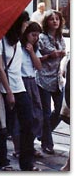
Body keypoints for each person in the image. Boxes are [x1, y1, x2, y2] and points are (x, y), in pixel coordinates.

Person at [0, 11, 39, 171]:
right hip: (6, 90)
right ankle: (1, 161)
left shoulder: (18, 41)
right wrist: (9, 92)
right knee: (5, 127)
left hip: (20, 87)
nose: (26, 26)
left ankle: (26, 163)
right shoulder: (1, 41)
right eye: (25, 23)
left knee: (28, 124)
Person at [36, 10, 66, 155]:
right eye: (51, 19)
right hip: (43, 77)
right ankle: (47, 143)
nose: (55, 21)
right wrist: (50, 56)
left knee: (60, 110)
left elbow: (63, 54)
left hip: (56, 79)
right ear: (46, 22)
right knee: (46, 112)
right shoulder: (41, 37)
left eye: (57, 19)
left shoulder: (60, 37)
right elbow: (35, 59)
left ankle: (42, 133)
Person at [19, 21, 44, 158]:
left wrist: (32, 52)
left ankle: (30, 143)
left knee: (37, 114)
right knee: (23, 117)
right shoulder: (18, 46)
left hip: (32, 81)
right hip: (21, 81)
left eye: (37, 36)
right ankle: (21, 147)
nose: (35, 38)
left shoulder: (34, 48)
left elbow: (39, 66)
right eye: (33, 35)